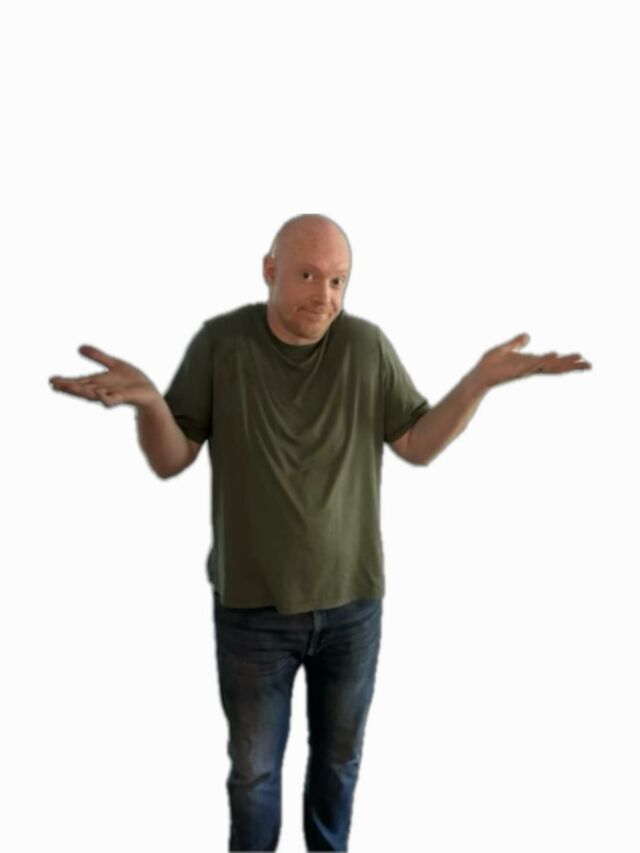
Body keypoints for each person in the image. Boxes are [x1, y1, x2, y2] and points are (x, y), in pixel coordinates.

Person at [49, 213, 592, 851]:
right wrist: (149, 404)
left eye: (338, 281)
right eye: (308, 276)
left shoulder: (366, 347)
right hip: (252, 611)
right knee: (254, 773)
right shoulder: (222, 344)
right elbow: (173, 459)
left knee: (339, 763)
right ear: (269, 271)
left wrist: (477, 384)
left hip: (352, 605)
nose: (325, 296)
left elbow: (416, 444)